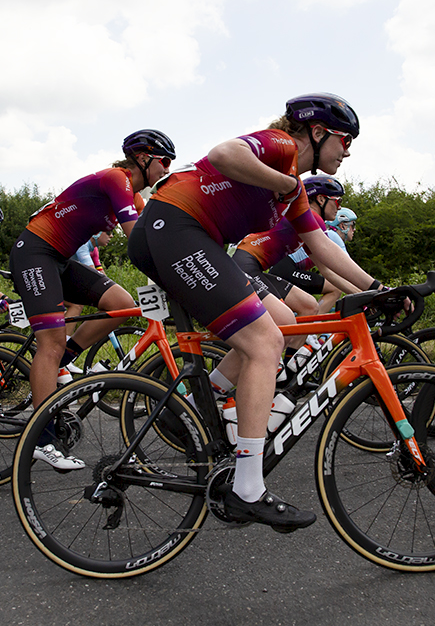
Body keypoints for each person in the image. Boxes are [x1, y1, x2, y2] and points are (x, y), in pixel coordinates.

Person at [127, 93, 383, 532]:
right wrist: (284, 184)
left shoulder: (295, 190)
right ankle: (248, 489)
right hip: (176, 227)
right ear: (317, 133)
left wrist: (379, 290)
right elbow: (224, 154)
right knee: (267, 341)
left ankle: (192, 406)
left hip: (184, 236)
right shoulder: (281, 148)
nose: (349, 150)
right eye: (345, 139)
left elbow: (321, 251)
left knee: (275, 328)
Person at [9, 129, 174, 469]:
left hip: (61, 259)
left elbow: (154, 242)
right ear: (143, 159)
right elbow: (137, 243)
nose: (167, 170)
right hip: (35, 252)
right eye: (164, 162)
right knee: (50, 343)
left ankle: (62, 360)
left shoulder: (136, 198)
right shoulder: (116, 178)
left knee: (121, 304)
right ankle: (41, 438)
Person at [265, 178, 360, 315]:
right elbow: (348, 272)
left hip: (280, 269)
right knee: (331, 292)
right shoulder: (327, 233)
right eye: (337, 201)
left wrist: (366, 293)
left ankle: (311, 330)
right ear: (321, 199)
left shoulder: (311, 225)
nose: (339, 207)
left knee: (303, 311)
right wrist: (369, 293)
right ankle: (312, 331)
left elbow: (326, 271)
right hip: (284, 270)